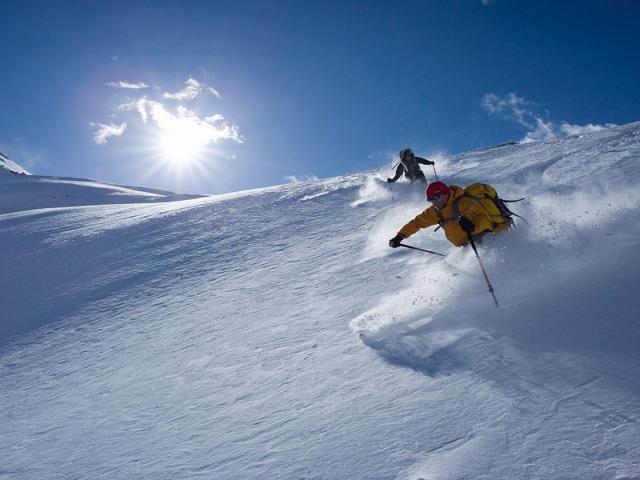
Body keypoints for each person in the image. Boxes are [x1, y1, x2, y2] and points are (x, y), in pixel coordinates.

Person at [388, 181, 512, 248]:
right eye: (431, 199)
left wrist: (473, 226)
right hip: (466, 244)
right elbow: (417, 223)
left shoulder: (464, 202)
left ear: (445, 194)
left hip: (490, 237)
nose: (434, 201)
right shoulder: (435, 211)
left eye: (436, 197)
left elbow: (484, 219)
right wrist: (400, 236)